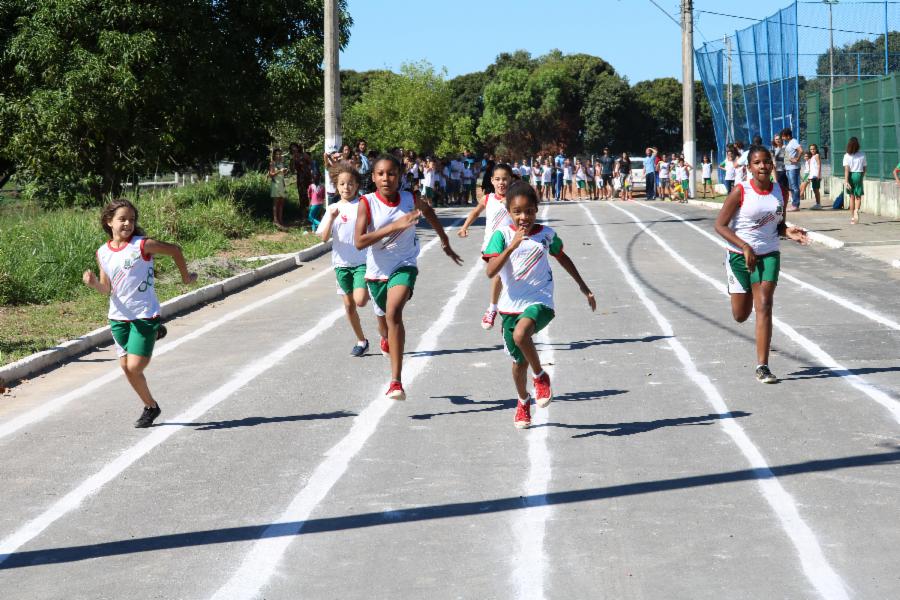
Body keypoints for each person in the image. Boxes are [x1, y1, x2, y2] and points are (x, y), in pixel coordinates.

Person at [482, 181, 596, 428]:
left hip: (540, 302)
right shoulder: (501, 236)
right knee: (518, 363)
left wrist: (583, 286)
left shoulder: (546, 234)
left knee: (523, 334)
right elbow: (491, 271)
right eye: (517, 211)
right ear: (508, 210)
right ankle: (523, 401)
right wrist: (512, 246)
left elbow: (563, 257)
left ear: (537, 210)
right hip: (510, 307)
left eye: (530, 211)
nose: (524, 217)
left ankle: (541, 376)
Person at [354, 155, 463, 401]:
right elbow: (359, 242)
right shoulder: (367, 202)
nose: (386, 178)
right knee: (383, 321)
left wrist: (444, 241)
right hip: (376, 273)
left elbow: (429, 212)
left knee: (394, 313)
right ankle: (384, 336)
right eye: (380, 174)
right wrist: (394, 226)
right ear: (373, 177)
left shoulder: (410, 199)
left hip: (404, 266)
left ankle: (396, 382)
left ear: (400, 176)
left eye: (391, 173)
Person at [82, 198, 197, 428]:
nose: (128, 224)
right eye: (122, 219)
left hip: (144, 313)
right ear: (109, 221)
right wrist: (94, 283)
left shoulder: (142, 245)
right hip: (118, 316)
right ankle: (151, 407)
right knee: (126, 368)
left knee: (134, 367)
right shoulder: (102, 252)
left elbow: (175, 250)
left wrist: (186, 278)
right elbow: (107, 288)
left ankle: (153, 331)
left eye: (132, 220)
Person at [714, 145, 808, 384]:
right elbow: (720, 226)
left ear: (772, 165)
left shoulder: (780, 191)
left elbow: (778, 224)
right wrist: (744, 247)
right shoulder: (740, 191)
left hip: (768, 254)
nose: (763, 166)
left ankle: (762, 366)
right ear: (749, 168)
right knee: (740, 315)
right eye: (757, 163)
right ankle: (737, 288)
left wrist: (789, 231)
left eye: (766, 162)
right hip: (739, 256)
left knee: (765, 305)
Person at [317, 163, 371, 356]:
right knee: (349, 306)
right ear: (336, 185)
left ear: (357, 185)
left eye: (350, 183)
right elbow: (323, 238)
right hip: (341, 264)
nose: (346, 187)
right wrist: (331, 218)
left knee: (361, 300)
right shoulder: (332, 208)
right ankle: (361, 340)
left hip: (362, 262)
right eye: (342, 184)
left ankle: (372, 288)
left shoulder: (363, 205)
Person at [458, 163, 514, 331]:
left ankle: (502, 309)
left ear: (510, 180)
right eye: (497, 179)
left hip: (512, 243)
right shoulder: (488, 198)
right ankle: (493, 308)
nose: (501, 182)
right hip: (491, 245)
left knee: (509, 279)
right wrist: (464, 226)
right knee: (497, 274)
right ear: (492, 180)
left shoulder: (514, 198)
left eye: (505, 179)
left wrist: (509, 204)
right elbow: (475, 212)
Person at [843, 137, 866, 224]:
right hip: (859, 174)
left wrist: (846, 181)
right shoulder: (862, 154)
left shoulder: (846, 155)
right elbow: (864, 168)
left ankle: (853, 217)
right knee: (858, 196)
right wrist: (861, 176)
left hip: (850, 175)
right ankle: (857, 210)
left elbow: (846, 169)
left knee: (851, 197)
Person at [289, 143, 312, 223]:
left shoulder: (304, 155)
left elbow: (312, 163)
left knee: (311, 196)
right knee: (302, 197)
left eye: (295, 147)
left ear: (298, 148)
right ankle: (304, 217)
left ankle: (312, 215)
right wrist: (292, 160)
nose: (294, 149)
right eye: (292, 148)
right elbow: (292, 170)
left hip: (308, 177)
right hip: (300, 179)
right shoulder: (292, 158)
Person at [781, 128, 802, 211]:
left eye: (783, 136)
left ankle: (796, 205)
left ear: (788, 136)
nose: (782, 138)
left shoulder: (793, 141)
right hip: (789, 168)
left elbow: (801, 150)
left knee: (795, 186)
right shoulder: (789, 143)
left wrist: (797, 159)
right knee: (791, 186)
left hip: (793, 167)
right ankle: (794, 204)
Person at [269, 148, 288, 229]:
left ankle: (281, 220)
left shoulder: (281, 163)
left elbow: (282, 175)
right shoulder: (272, 163)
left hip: (281, 184)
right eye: (277, 154)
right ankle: (275, 220)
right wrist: (280, 171)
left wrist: (285, 171)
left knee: (281, 203)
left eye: (280, 154)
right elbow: (271, 174)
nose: (279, 155)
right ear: (274, 155)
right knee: (276, 203)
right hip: (275, 184)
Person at [805, 143, 822, 209]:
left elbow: (819, 165)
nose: (812, 150)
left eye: (813, 149)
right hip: (813, 176)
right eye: (811, 149)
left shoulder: (817, 155)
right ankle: (817, 203)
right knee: (815, 190)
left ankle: (818, 204)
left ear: (816, 149)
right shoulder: (811, 157)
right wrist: (810, 177)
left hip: (816, 176)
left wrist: (818, 175)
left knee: (816, 190)